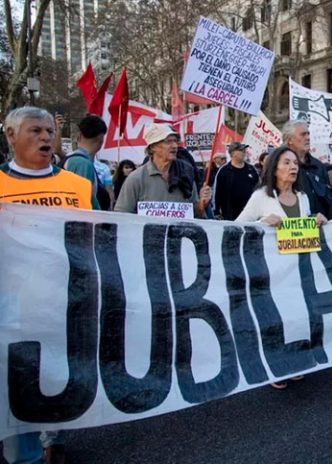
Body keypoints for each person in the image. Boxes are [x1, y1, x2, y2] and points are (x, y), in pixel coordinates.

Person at [0, 106, 92, 464]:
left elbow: (98, 236)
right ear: (11, 136)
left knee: (56, 373)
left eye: (50, 131)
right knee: (15, 380)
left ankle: (54, 438)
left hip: (62, 301)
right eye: (35, 131)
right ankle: (23, 455)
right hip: (11, 305)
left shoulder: (78, 186)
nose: (46, 138)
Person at [236, 145, 328, 389]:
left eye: (295, 163)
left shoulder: (303, 197)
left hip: (299, 269)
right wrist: (261, 223)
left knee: (299, 315)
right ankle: (276, 366)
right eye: (287, 162)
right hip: (272, 272)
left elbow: (305, 229)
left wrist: (317, 221)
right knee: (277, 319)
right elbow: (235, 228)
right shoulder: (261, 197)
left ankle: (296, 359)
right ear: (274, 167)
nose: (293, 167)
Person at [114, 123, 211, 217]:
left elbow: (195, 216)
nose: (174, 146)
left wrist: (201, 204)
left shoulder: (186, 175)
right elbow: (122, 217)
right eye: (168, 141)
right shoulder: (136, 179)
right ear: (153, 147)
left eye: (175, 141)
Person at [282, 120, 332, 218]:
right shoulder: (278, 166)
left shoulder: (319, 166)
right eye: (303, 135)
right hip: (293, 230)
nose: (307, 138)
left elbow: (329, 200)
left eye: (308, 134)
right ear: (290, 140)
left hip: (321, 228)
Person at [61, 114, 107, 210]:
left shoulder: (69, 159)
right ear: (101, 140)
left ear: (80, 135)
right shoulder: (83, 164)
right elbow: (82, 201)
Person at [212, 142, 259, 220]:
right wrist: (216, 211)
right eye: (241, 150)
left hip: (251, 215)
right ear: (233, 153)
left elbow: (259, 189)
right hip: (229, 216)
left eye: (244, 149)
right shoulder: (223, 171)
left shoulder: (252, 169)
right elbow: (217, 192)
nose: (244, 152)